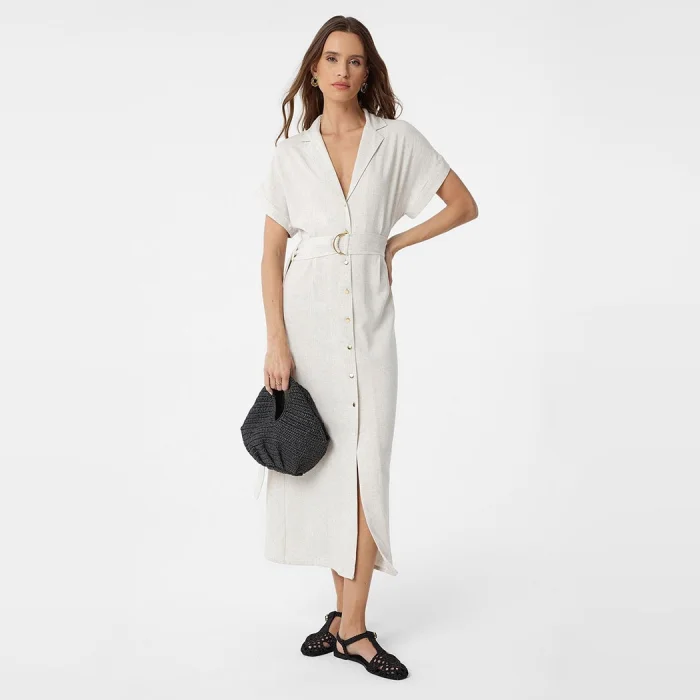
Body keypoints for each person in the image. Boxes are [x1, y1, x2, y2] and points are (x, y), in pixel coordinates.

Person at [257, 16, 478, 680]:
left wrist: (396, 242)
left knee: (364, 470)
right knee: (327, 470)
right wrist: (277, 341)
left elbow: (462, 204)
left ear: (367, 71)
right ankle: (347, 623)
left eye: (355, 61)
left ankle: (350, 626)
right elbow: (270, 257)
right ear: (314, 69)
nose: (343, 70)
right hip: (308, 322)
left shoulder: (395, 140)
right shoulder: (291, 155)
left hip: (371, 324)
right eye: (331, 58)